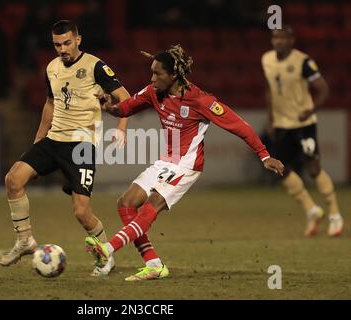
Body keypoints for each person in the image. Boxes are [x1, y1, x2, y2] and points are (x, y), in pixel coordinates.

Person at [85, 44, 285, 281]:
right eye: (152, 72)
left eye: (157, 73)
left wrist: (264, 155)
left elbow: (238, 125)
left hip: (187, 165)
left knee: (152, 205)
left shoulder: (200, 100)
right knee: (125, 204)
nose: (152, 78)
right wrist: (109, 106)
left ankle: (107, 249)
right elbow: (124, 109)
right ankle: (154, 264)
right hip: (165, 162)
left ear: (173, 75)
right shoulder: (153, 92)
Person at [0, 20, 130, 277]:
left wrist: (121, 129)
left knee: (81, 212)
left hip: (82, 144)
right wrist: (39, 138)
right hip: (54, 139)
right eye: (57, 44)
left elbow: (125, 98)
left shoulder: (96, 66)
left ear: (78, 40)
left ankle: (106, 255)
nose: (62, 49)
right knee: (13, 179)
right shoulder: (52, 68)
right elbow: (50, 103)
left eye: (67, 43)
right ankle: (25, 240)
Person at [261, 26, 344, 237]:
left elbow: (323, 89)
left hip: (303, 124)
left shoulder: (303, 61)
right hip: (281, 124)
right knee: (280, 168)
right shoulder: (267, 59)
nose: (277, 42)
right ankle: (311, 210)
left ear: (291, 40)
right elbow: (270, 89)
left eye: (282, 38)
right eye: (275, 38)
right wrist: (270, 118)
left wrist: (310, 110)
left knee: (313, 168)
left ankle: (335, 214)